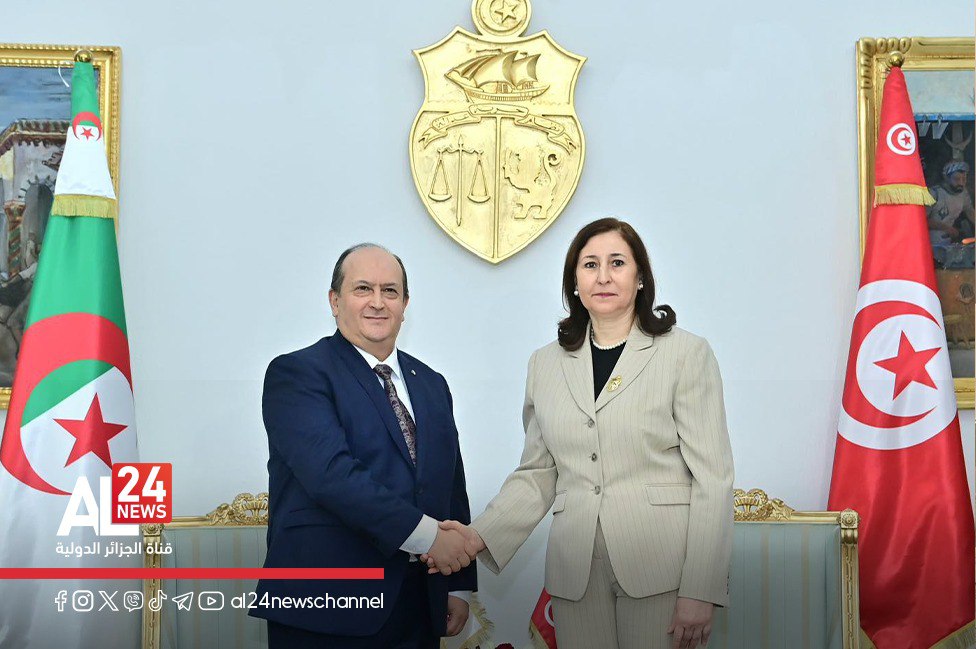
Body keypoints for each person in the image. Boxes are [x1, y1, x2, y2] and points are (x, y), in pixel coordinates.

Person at [427, 218, 734, 649]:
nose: (603, 276)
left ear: (640, 277)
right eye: (590, 265)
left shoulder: (686, 353)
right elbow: (538, 473)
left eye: (617, 263)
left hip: (663, 569)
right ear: (574, 282)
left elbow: (713, 479)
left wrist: (701, 588)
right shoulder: (545, 364)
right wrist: (476, 536)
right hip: (575, 574)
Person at [251, 243, 479, 648]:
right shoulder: (298, 373)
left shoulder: (432, 383)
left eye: (390, 291)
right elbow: (332, 476)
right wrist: (430, 537)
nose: (377, 302)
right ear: (334, 301)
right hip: (327, 607)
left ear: (405, 304)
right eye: (362, 289)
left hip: (419, 606)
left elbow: (450, 484)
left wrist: (458, 583)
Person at [927, 160, 975, 245]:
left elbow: (969, 211)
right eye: (956, 179)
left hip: (947, 241)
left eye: (964, 179)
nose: (961, 183)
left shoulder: (963, 194)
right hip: (929, 241)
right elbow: (921, 220)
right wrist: (946, 228)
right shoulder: (934, 193)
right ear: (947, 178)